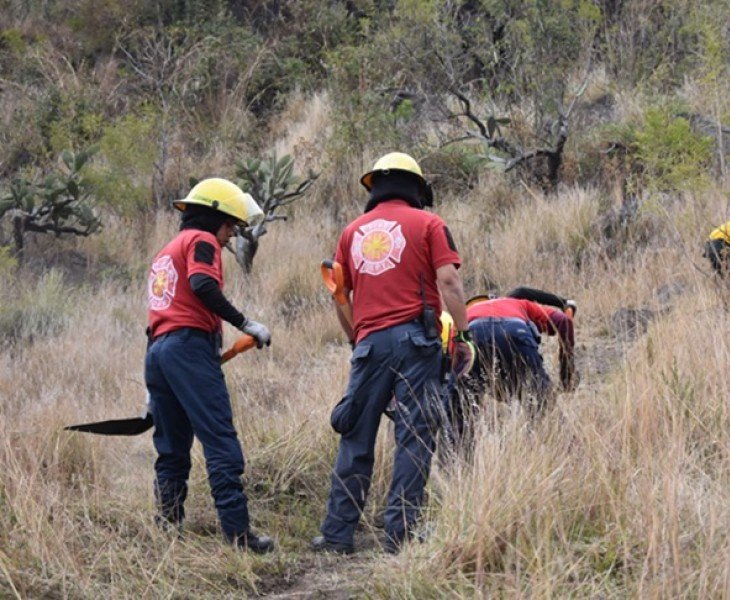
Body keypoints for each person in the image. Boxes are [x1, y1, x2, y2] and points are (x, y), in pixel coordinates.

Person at [312, 152, 474, 555]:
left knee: (355, 434)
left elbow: (340, 297)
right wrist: (464, 336)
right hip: (417, 344)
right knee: (414, 437)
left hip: (368, 344)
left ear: (375, 187)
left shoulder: (351, 233)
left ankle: (337, 535)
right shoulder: (430, 224)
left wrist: (358, 340)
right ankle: (400, 535)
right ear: (417, 187)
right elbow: (449, 282)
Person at [144, 178, 274, 553]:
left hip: (159, 352)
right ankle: (239, 536)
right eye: (230, 224)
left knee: (171, 449)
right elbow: (202, 284)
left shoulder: (165, 253)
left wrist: (154, 386)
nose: (231, 233)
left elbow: (159, 317)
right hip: (188, 348)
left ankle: (167, 530)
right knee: (220, 440)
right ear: (215, 217)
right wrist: (245, 323)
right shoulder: (201, 241)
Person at [455, 288, 576, 419]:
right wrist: (567, 376)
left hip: (474, 334)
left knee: (463, 405)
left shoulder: (463, 314)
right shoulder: (520, 303)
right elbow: (564, 321)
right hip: (516, 332)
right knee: (542, 403)